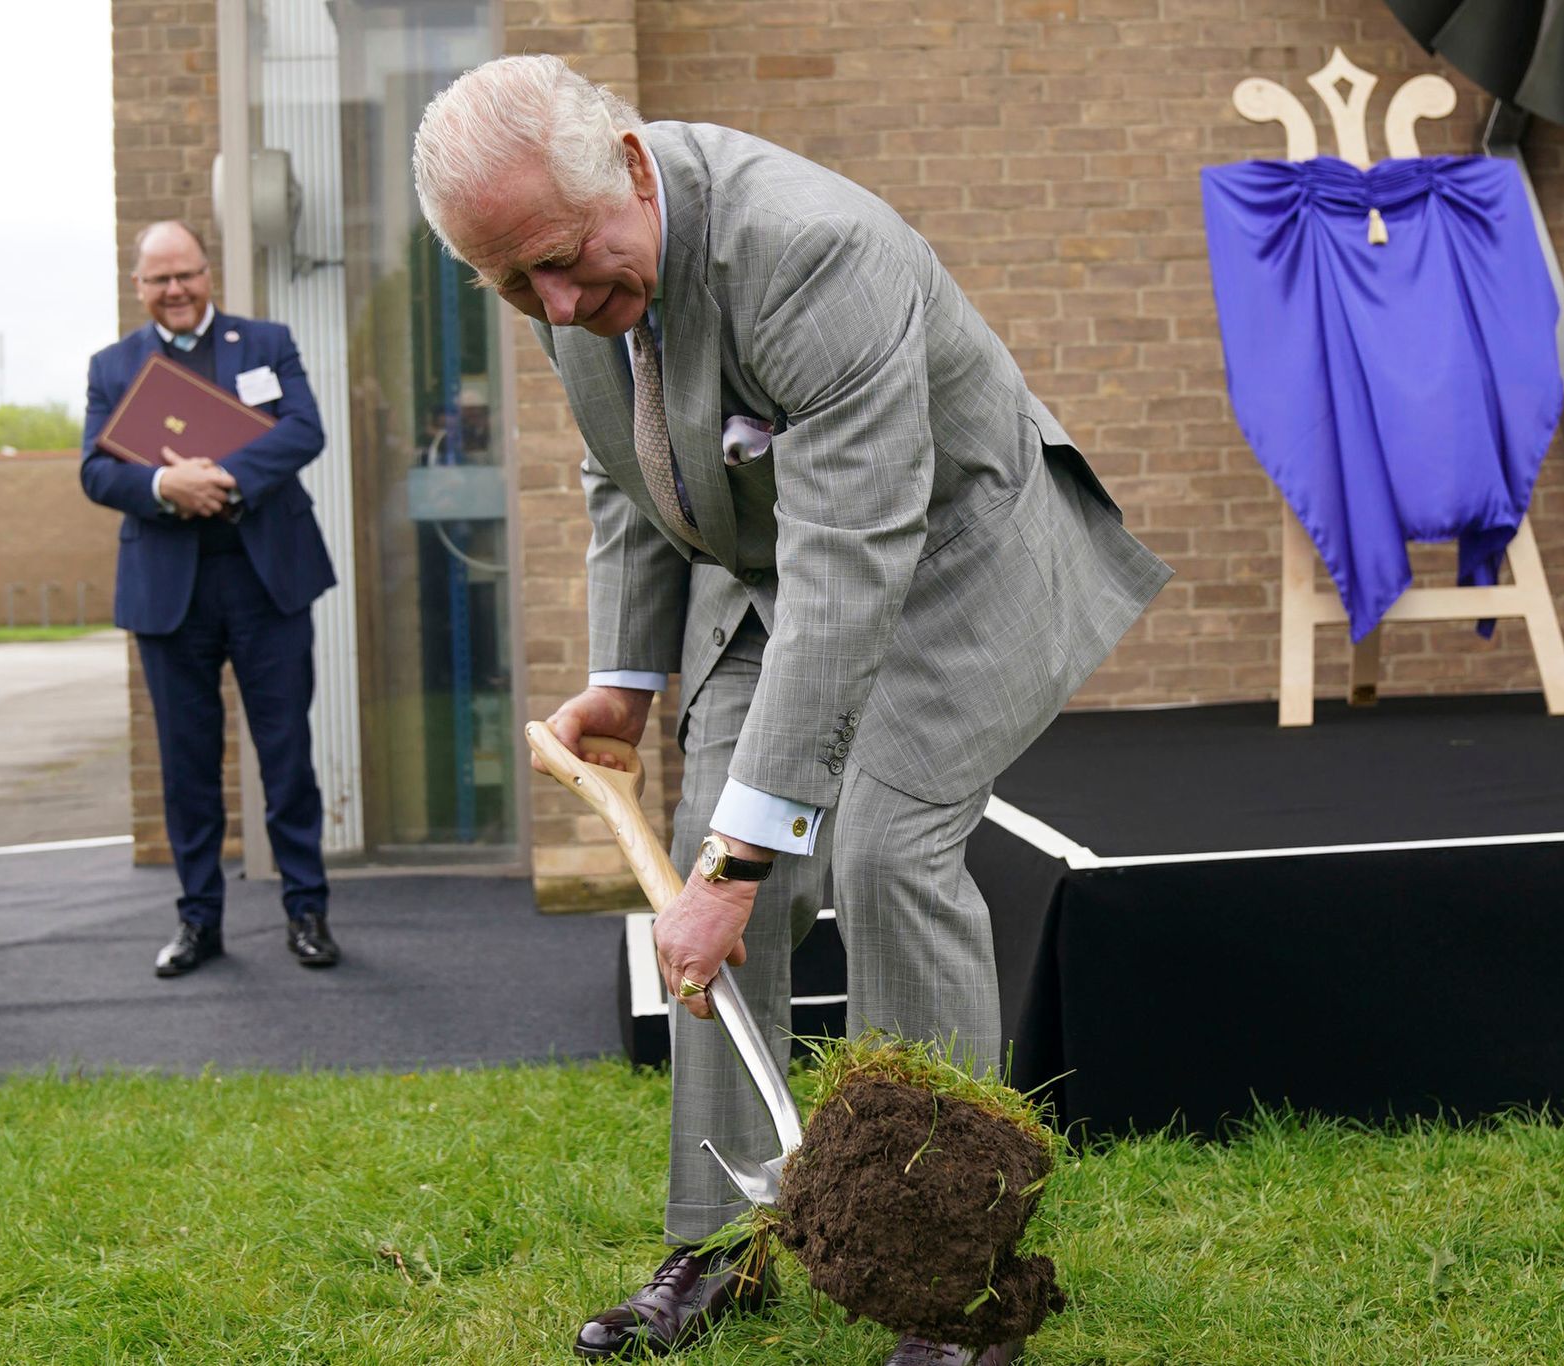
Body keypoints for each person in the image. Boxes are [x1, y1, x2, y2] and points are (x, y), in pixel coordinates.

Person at [414, 56, 1171, 1365]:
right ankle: (728, 1243)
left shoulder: (814, 253)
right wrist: (629, 679)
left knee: (879, 846)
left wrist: (740, 862)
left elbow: (851, 563)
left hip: (950, 553)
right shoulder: (558, 260)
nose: (552, 303)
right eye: (512, 282)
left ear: (636, 173)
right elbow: (623, 466)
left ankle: (951, 1285)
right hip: (785, 566)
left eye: (564, 262)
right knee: (721, 844)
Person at [80, 220, 339, 977]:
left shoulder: (266, 342)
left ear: (207, 273)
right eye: (159, 279)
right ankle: (198, 922)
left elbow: (304, 430)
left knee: (286, 755)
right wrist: (165, 486)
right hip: (170, 595)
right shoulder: (112, 366)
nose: (176, 290)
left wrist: (219, 476)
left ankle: (307, 912)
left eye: (186, 274)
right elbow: (96, 472)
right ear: (139, 287)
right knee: (187, 763)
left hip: (269, 583)